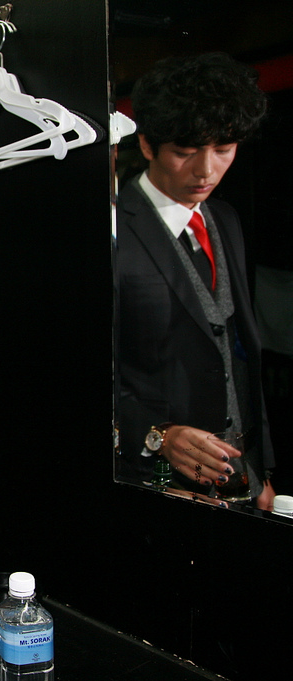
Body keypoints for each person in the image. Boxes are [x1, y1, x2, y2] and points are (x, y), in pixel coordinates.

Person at [115, 52, 275, 510]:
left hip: (237, 475)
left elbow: (240, 354)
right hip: (155, 480)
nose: (206, 171)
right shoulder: (112, 227)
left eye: (224, 150)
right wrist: (157, 435)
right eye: (185, 152)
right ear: (147, 146)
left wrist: (260, 468)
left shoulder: (225, 218)